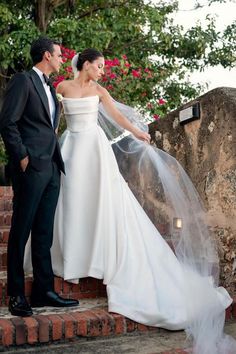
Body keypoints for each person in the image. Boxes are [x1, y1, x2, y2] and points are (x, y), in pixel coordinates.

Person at [39, 48, 235, 353]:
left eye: (105, 66)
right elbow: (54, 121)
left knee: (97, 205)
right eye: (99, 66)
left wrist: (137, 133)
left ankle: (96, 257)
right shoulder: (62, 87)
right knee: (71, 205)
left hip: (95, 151)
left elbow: (116, 117)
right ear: (86, 65)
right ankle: (72, 258)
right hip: (71, 149)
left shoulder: (100, 91)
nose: (103, 70)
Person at [0, 37, 79, 317]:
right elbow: (7, 122)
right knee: (21, 231)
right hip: (30, 167)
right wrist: (22, 157)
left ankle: (43, 291)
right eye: (59, 55)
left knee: (44, 231)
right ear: (47, 55)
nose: (61, 59)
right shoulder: (23, 81)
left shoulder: (49, 87)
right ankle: (17, 295)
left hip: (52, 168)